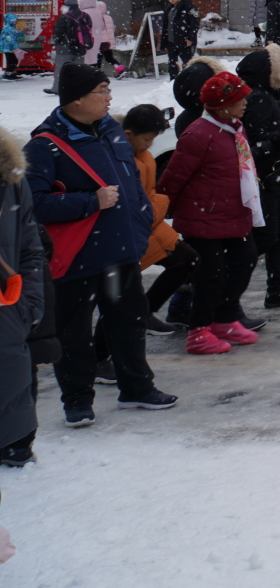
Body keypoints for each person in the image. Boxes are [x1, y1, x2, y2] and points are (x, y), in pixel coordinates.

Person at [24, 63, 175, 424]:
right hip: (76, 257)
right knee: (73, 333)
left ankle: (136, 388)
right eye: (101, 91)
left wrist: (139, 231)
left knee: (129, 322)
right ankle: (77, 401)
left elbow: (133, 188)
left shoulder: (112, 131)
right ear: (75, 100)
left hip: (120, 252)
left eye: (108, 90)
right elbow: (34, 204)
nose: (109, 98)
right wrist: (90, 201)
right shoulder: (45, 146)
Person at [159, 71, 268, 356]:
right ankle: (198, 332)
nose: (246, 102)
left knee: (245, 261)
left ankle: (224, 320)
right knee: (211, 275)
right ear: (222, 105)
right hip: (202, 216)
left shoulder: (234, 127)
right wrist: (159, 210)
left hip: (233, 213)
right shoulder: (198, 134)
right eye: (239, 99)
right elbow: (174, 176)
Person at [236, 45, 280, 309]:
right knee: (265, 238)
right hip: (267, 179)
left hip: (275, 178)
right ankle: (229, 290)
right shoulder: (258, 98)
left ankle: (277, 287)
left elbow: (270, 135)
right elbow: (256, 144)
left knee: (279, 235)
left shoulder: (264, 95)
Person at [117, 105, 189, 334]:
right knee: (120, 297)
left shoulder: (143, 155)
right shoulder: (119, 158)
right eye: (147, 139)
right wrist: (159, 204)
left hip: (150, 223)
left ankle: (145, 312)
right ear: (128, 134)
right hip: (135, 229)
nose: (149, 145)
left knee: (188, 261)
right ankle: (102, 351)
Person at [0, 121, 47, 468]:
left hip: (8, 313)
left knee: (13, 381)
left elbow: (30, 247)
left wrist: (29, 302)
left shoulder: (10, 176)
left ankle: (15, 443)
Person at [48, 0, 90, 88]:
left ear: (68, 6)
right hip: (80, 47)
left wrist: (57, 40)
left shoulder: (64, 17)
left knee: (61, 69)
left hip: (65, 48)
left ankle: (58, 88)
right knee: (79, 69)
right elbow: (89, 28)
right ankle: (78, 88)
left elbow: (58, 31)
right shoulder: (85, 16)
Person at [164, 0, 200, 71]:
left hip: (183, 40)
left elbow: (194, 25)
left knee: (187, 63)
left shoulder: (189, 8)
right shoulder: (169, 8)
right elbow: (166, 25)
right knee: (172, 63)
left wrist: (190, 38)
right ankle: (173, 81)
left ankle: (188, 79)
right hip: (171, 40)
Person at [0, 17, 20, 81]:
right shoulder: (10, 28)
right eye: (15, 20)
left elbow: (14, 36)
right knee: (13, 61)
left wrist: (22, 32)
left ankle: (10, 73)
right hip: (9, 48)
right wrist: (15, 48)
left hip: (7, 48)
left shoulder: (7, 27)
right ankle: (9, 73)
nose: (16, 21)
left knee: (11, 60)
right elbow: (12, 39)